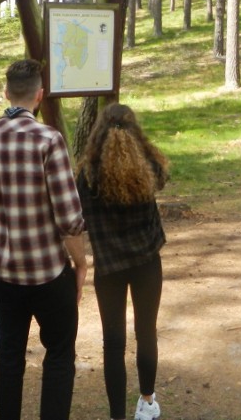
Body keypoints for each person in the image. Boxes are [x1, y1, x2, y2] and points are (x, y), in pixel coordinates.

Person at [0, 58, 88, 420]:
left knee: (10, 357)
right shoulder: (49, 139)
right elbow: (69, 217)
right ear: (40, 95)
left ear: (6, 94)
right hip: (51, 272)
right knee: (60, 355)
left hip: (4, 274)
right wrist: (81, 263)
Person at [75, 103, 169, 420]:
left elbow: (80, 216)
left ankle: (117, 415)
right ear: (134, 129)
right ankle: (146, 402)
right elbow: (162, 178)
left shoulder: (87, 174)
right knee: (146, 332)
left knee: (113, 343)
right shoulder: (150, 166)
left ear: (98, 131)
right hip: (147, 263)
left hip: (108, 268)